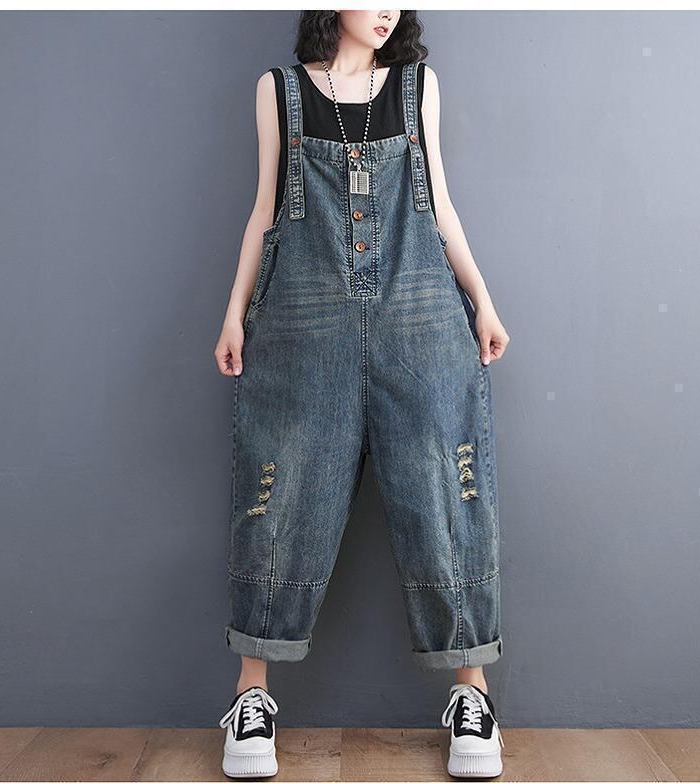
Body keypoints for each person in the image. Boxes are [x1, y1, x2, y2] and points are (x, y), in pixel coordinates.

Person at [214, 10, 510, 780]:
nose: (387, 10)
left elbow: (439, 203)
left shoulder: (416, 87)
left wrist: (481, 300)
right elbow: (263, 209)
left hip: (419, 308)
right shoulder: (278, 90)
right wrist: (234, 311)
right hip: (301, 311)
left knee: (444, 491)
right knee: (281, 492)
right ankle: (251, 698)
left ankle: (472, 696)